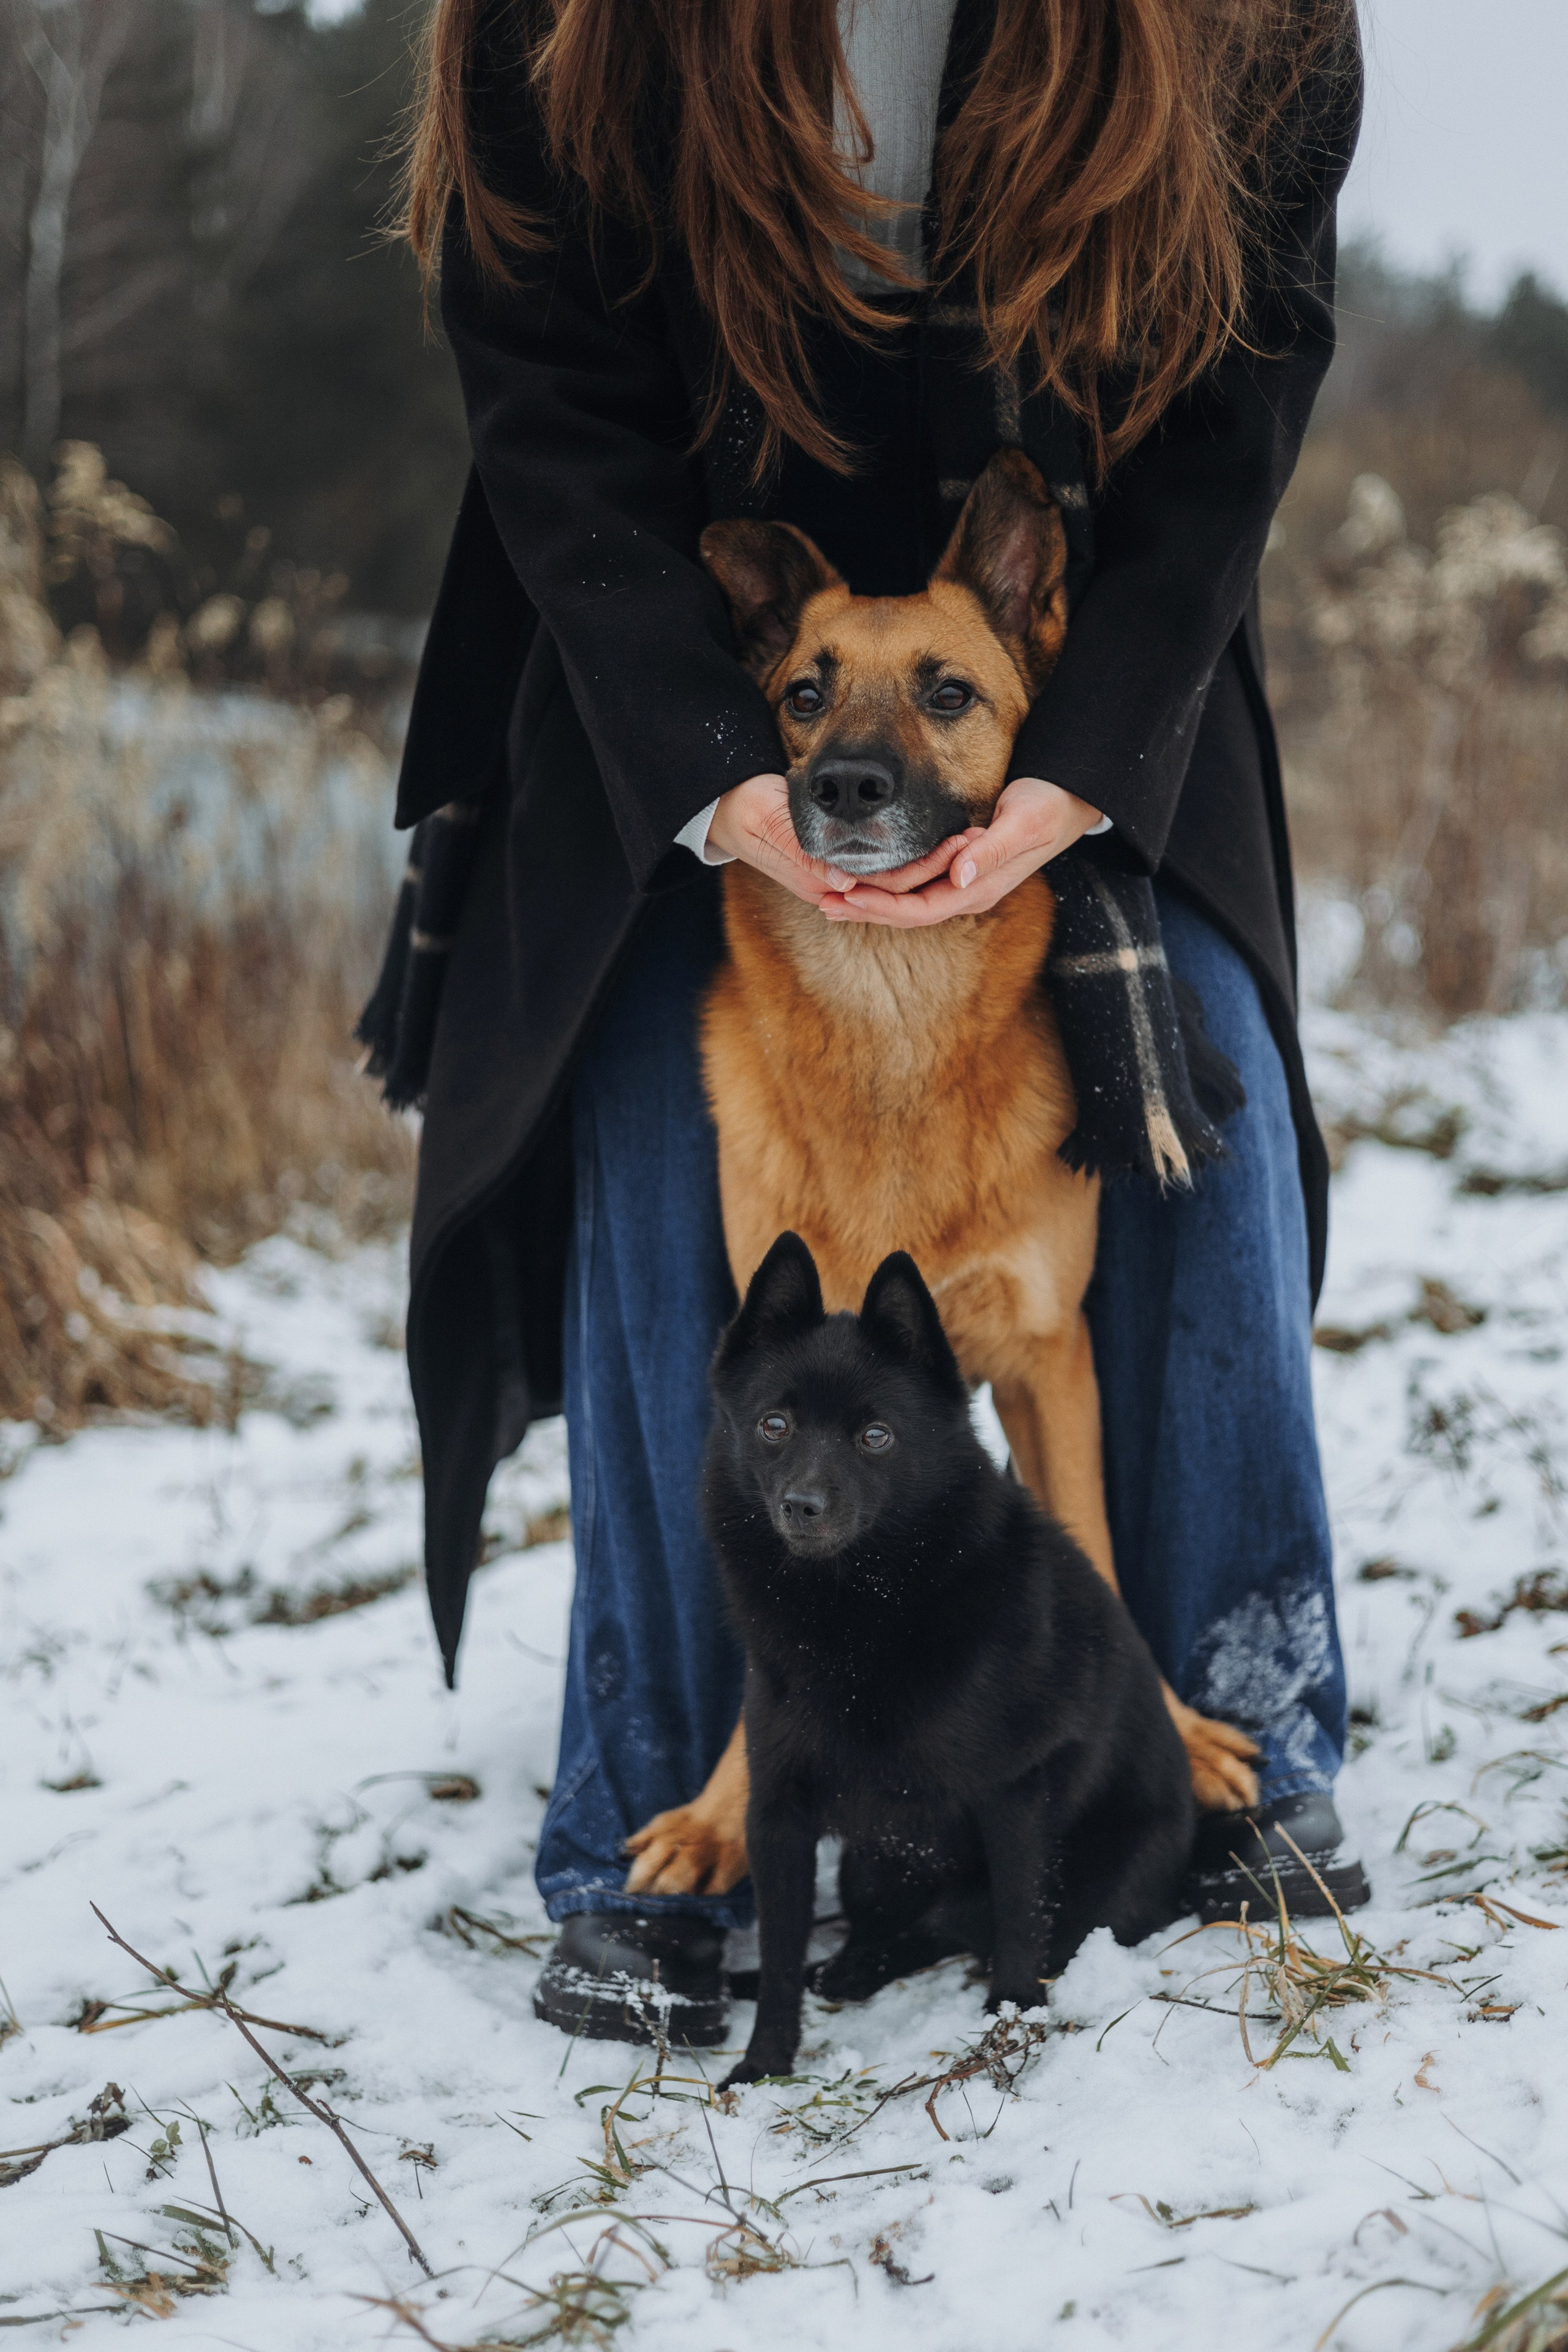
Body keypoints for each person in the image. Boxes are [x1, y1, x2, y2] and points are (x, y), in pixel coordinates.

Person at [366, 0, 1368, 2046]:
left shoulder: (1249, 21)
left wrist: (1080, 765)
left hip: (1081, 684)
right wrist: (721, 755)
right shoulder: (557, 30)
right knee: (654, 1110)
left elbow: (1246, 379)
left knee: (1213, 1090)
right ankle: (665, 1804)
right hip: (682, 663)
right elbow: (545, 392)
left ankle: (1228, 1716)